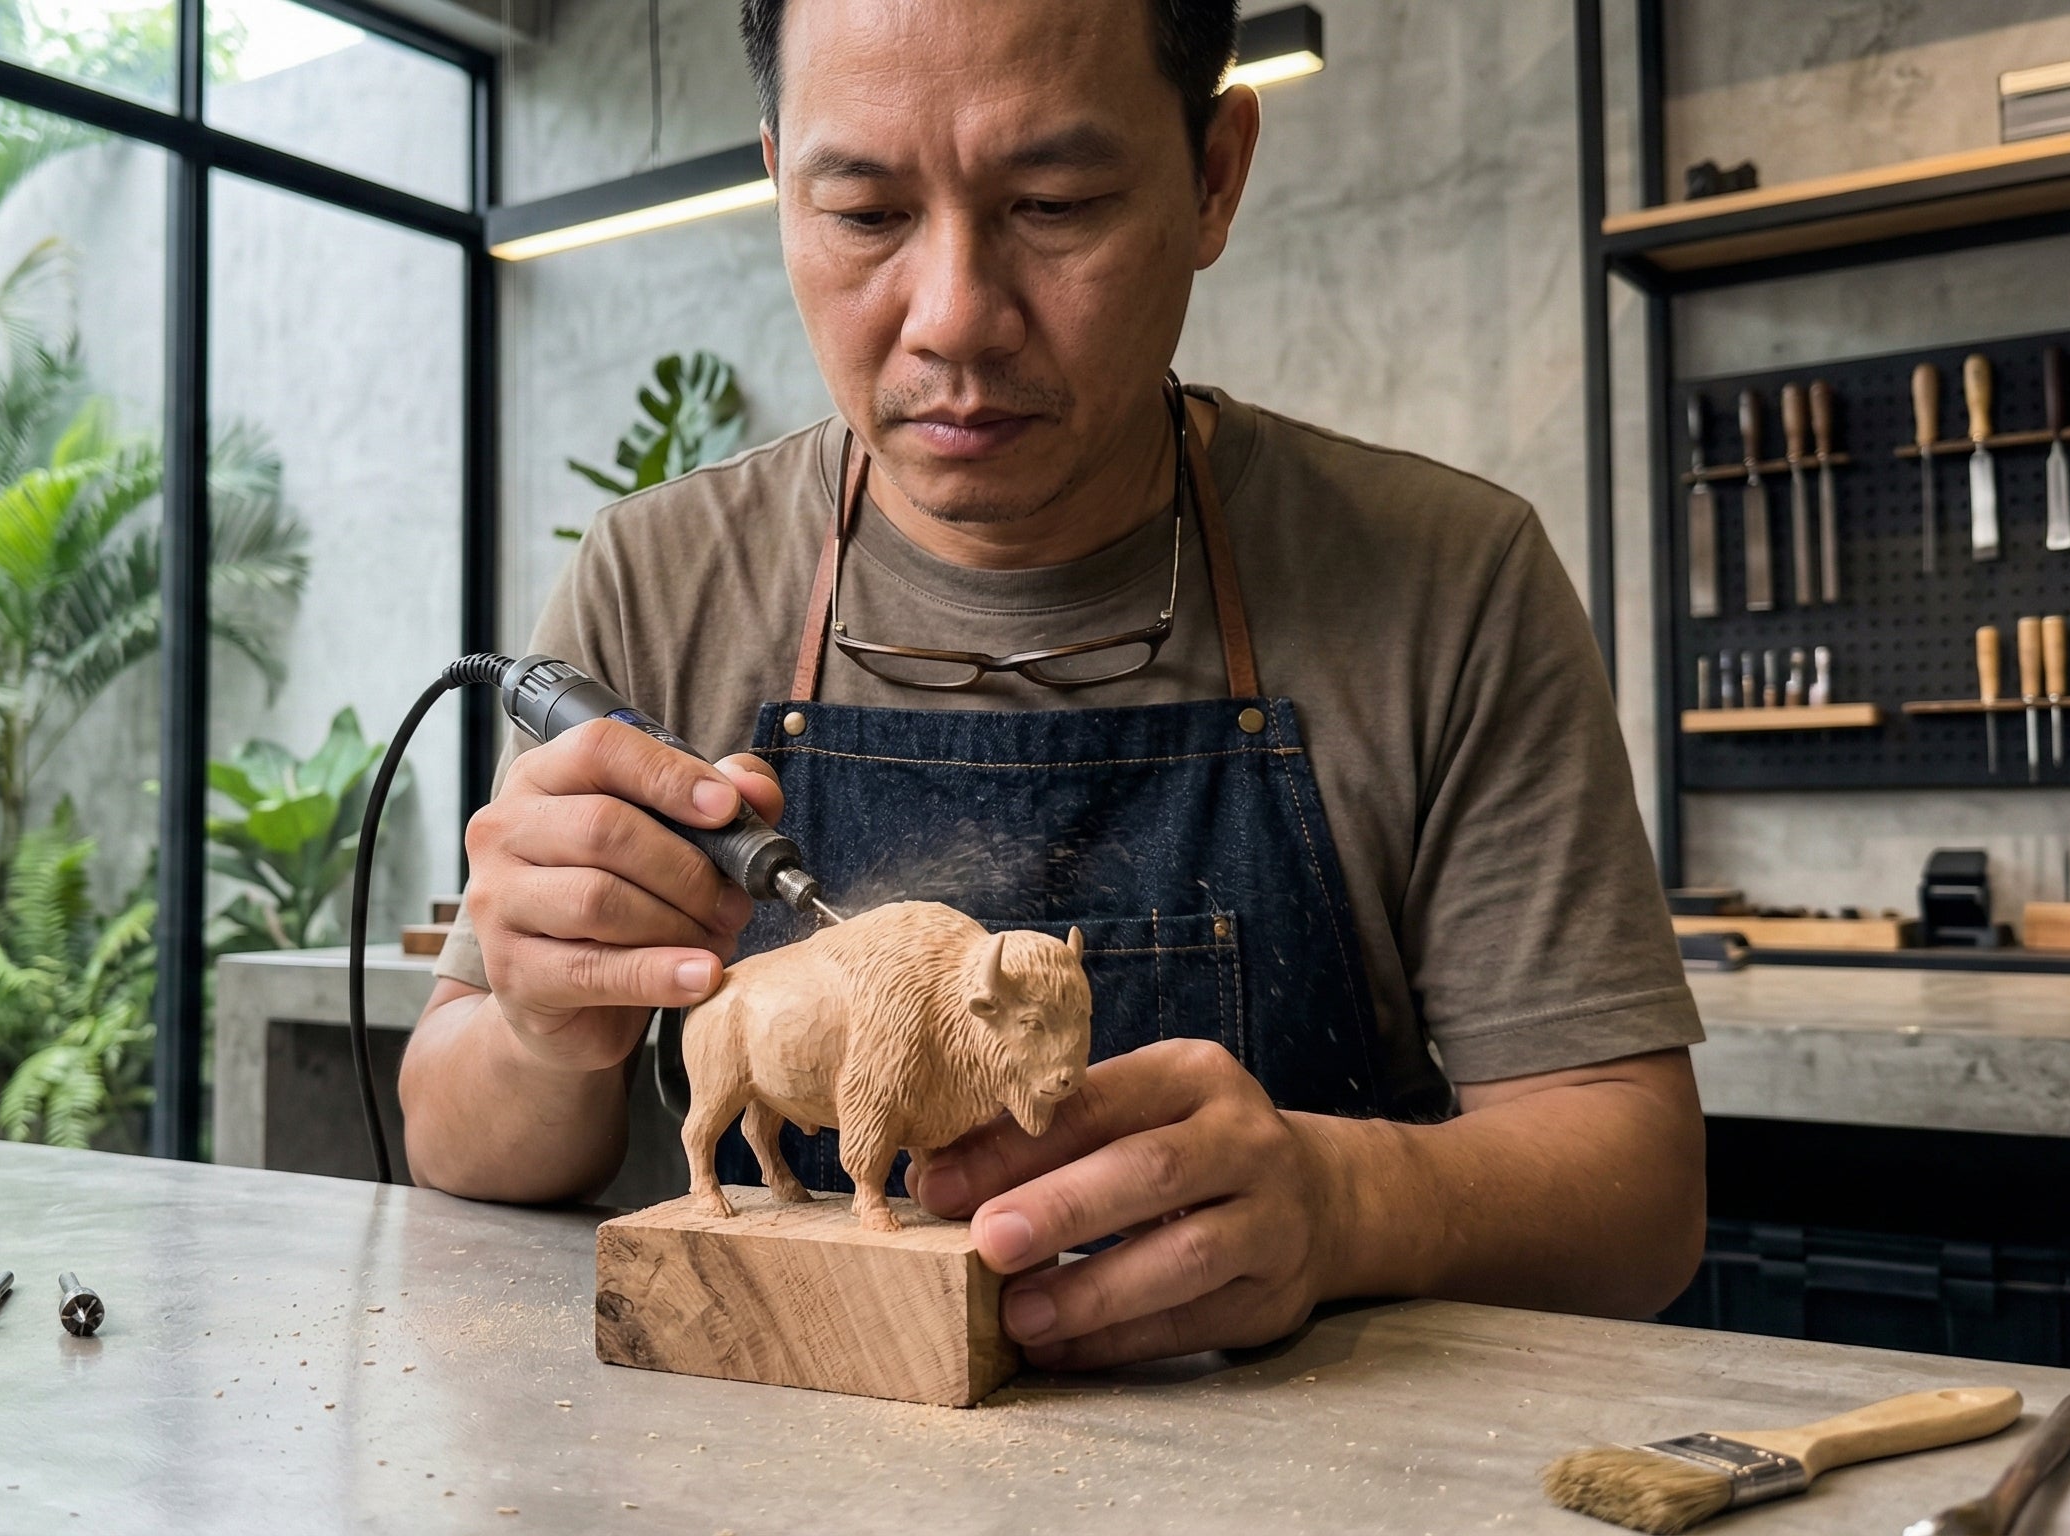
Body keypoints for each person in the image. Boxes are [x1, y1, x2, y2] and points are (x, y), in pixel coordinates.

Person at [398, 0, 1705, 1369]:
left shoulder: (1446, 581)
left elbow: (1640, 1193)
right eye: (862, 215)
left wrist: (1351, 1200)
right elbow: (452, 1125)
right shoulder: (661, 580)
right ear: (782, 182)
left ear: (1214, 176)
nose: (955, 317)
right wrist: (548, 1037)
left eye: (1055, 202)